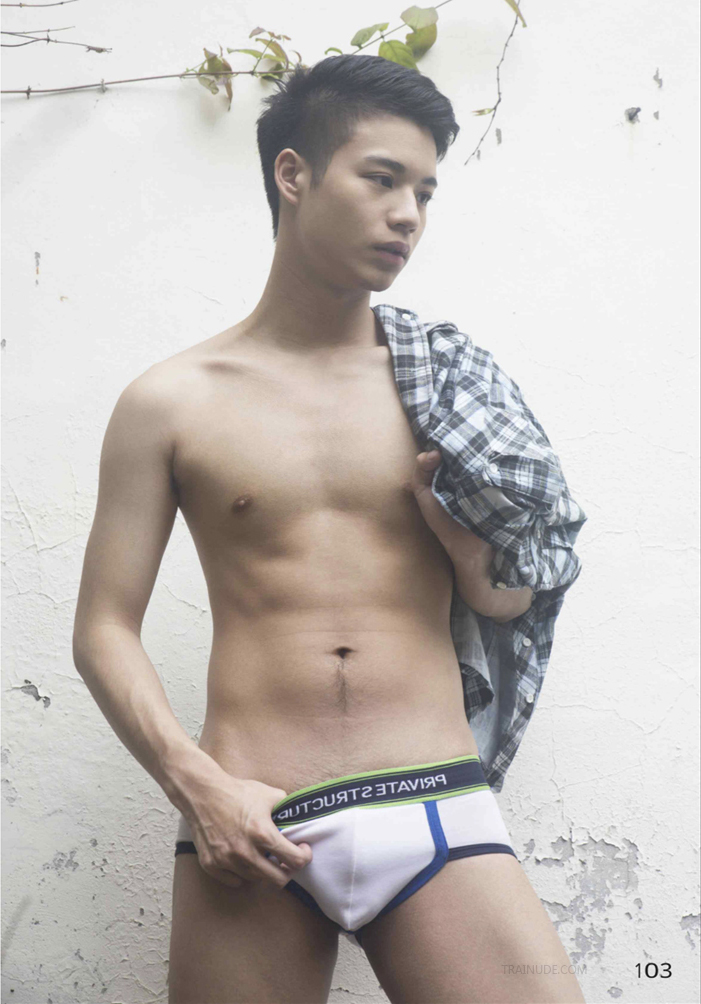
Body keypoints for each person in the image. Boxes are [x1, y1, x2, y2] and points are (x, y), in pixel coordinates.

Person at [73, 54, 586, 1004]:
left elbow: (508, 601)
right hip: (250, 818)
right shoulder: (170, 402)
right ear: (293, 174)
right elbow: (103, 627)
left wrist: (464, 544)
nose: (407, 215)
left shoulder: (443, 389)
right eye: (382, 179)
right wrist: (195, 785)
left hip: (433, 803)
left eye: (424, 193)